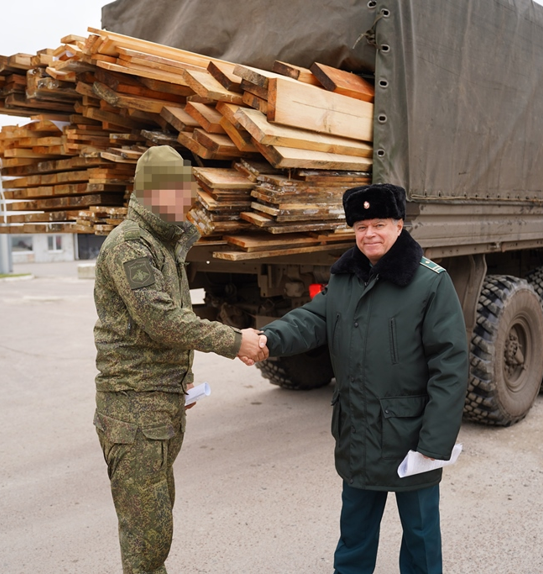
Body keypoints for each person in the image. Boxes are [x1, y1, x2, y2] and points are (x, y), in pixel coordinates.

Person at [258, 183, 468, 574]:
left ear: (400, 225)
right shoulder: (344, 279)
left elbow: (450, 364)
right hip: (358, 435)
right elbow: (314, 320)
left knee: (421, 543)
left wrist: (434, 443)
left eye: (379, 224)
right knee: (354, 540)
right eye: (360, 226)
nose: (369, 233)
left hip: (412, 441)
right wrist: (267, 338)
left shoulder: (430, 282)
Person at [92, 145, 267, 574]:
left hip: (157, 404)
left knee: (156, 526)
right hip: (135, 413)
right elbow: (161, 320)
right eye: (175, 190)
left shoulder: (164, 242)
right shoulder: (131, 245)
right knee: (146, 542)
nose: (184, 200)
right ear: (150, 192)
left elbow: (173, 321)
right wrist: (234, 341)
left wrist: (180, 378)